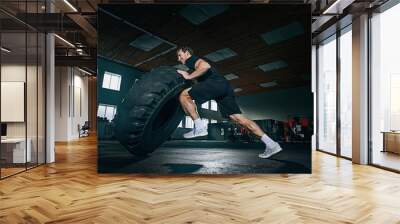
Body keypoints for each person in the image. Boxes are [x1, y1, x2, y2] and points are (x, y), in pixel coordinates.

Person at [175, 46, 282, 159]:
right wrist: (189, 75)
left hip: (215, 84)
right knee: (238, 118)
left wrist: (188, 76)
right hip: (224, 87)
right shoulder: (191, 66)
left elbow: (205, 66)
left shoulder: (190, 60)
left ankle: (199, 126)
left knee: (184, 95)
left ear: (187, 53)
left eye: (179, 55)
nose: (178, 58)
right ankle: (271, 144)